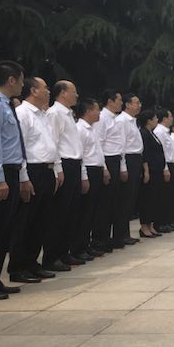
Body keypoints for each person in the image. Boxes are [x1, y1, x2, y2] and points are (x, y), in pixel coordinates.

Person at [8, 78, 61, 282]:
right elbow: (19, 147)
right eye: (45, 88)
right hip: (32, 170)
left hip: (46, 170)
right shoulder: (22, 113)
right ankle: (18, 267)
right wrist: (23, 176)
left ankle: (32, 262)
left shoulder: (43, 115)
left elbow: (51, 143)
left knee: (41, 221)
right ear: (33, 91)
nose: (48, 91)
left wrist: (55, 170)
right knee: (25, 221)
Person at [0, 61, 26, 299]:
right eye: (20, 80)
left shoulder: (5, 105)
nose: (22, 84)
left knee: (3, 230)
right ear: (11, 80)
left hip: (11, 171)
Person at [45, 80, 87, 269]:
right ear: (62, 93)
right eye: (73, 91)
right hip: (64, 164)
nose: (76, 95)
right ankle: (52, 256)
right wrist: (58, 169)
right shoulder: (54, 113)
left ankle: (64, 252)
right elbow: (52, 142)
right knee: (59, 213)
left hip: (74, 164)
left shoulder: (69, 114)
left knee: (71, 212)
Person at [74, 98, 109, 260]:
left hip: (97, 169)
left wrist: (104, 169)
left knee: (93, 211)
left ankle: (86, 245)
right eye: (96, 109)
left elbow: (98, 151)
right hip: (87, 170)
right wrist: (84, 176)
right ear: (88, 111)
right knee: (84, 211)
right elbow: (80, 155)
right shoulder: (80, 129)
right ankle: (78, 247)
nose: (99, 112)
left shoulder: (92, 129)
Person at [94, 89, 127, 253]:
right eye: (119, 100)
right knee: (104, 203)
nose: (121, 103)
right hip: (106, 160)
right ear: (110, 101)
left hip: (116, 160)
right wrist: (104, 168)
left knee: (114, 202)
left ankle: (111, 238)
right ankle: (100, 239)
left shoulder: (116, 119)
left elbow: (120, 145)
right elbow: (98, 144)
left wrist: (122, 167)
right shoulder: (102, 118)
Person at [116, 93, 143, 247]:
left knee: (131, 198)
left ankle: (125, 233)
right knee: (125, 199)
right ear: (127, 105)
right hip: (128, 159)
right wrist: (123, 166)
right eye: (136, 102)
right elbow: (121, 145)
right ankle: (120, 234)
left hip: (136, 159)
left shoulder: (133, 121)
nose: (139, 105)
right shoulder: (122, 121)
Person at [138, 109, 166, 238]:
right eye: (155, 118)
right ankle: (144, 226)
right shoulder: (144, 133)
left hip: (157, 170)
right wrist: (146, 170)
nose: (156, 120)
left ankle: (150, 224)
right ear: (149, 120)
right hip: (150, 170)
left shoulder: (152, 133)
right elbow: (145, 153)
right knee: (147, 198)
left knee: (155, 198)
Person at [153, 107, 174, 233]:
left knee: (169, 196)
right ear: (164, 118)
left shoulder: (166, 132)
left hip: (171, 165)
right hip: (165, 165)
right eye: (170, 116)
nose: (172, 119)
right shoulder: (159, 132)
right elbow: (161, 152)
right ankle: (160, 223)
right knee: (162, 196)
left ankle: (167, 221)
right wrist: (165, 168)